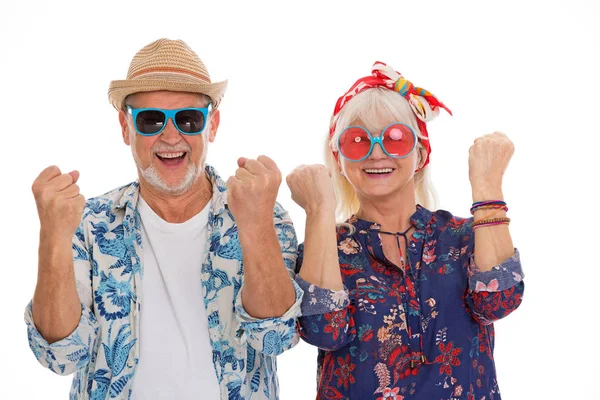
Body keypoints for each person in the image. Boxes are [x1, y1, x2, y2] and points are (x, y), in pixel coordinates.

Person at [25, 38, 302, 400]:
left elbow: (276, 337)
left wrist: (255, 226)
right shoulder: (89, 224)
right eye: (151, 119)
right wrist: (52, 237)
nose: (171, 136)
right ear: (126, 128)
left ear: (212, 125)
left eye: (188, 119)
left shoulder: (263, 211)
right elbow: (60, 356)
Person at [286, 62, 524, 399]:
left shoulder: (463, 236)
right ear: (338, 159)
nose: (377, 152)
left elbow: (498, 301)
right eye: (357, 141)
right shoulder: (327, 246)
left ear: (422, 151)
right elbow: (325, 331)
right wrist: (319, 211)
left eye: (395, 137)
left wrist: (487, 189)